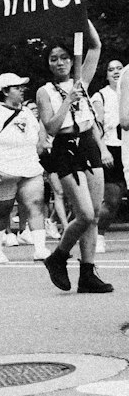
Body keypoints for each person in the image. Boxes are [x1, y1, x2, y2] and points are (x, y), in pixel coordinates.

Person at [37, 22, 112, 293]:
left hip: (88, 145)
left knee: (94, 217)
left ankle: (87, 273)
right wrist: (68, 99)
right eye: (54, 59)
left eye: (65, 57)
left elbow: (96, 46)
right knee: (85, 213)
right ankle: (58, 257)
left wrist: (81, 17)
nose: (60, 63)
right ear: (48, 63)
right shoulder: (44, 91)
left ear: (71, 60)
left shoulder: (82, 80)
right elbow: (52, 127)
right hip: (65, 147)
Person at [0, 75, 48, 265]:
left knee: (36, 204)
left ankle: (40, 249)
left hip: (28, 167)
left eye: (22, 86)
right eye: (17, 87)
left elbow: (35, 137)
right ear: (5, 91)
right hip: (2, 169)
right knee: (2, 210)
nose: (22, 89)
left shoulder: (27, 113)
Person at [91, 59, 124, 253]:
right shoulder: (100, 96)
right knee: (112, 199)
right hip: (112, 148)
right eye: (111, 69)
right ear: (106, 75)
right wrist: (103, 150)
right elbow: (97, 126)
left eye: (119, 68)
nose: (116, 72)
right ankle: (99, 234)